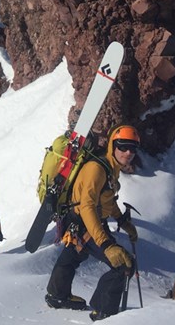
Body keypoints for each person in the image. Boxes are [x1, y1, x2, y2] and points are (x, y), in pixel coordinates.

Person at [44, 125, 140, 321]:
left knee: (73, 255)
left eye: (133, 148)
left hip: (79, 221)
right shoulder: (96, 169)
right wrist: (105, 244)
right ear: (113, 144)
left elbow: (107, 200)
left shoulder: (110, 168)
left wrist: (122, 220)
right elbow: (87, 206)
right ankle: (104, 312)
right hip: (85, 222)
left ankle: (57, 295)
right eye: (123, 146)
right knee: (123, 263)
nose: (128, 152)